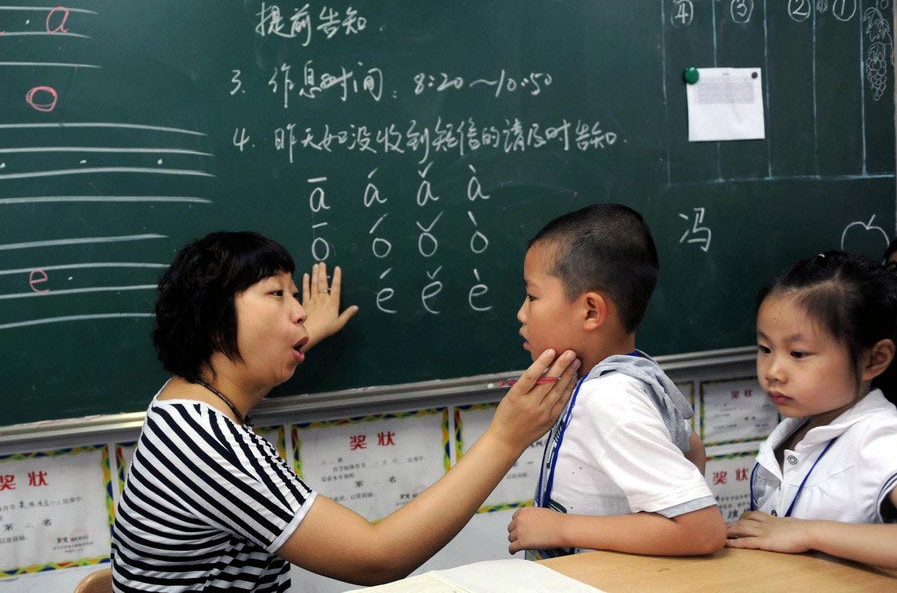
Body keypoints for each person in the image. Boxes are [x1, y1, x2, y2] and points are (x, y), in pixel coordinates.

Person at [111, 231, 579, 592]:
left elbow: (238, 374)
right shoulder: (206, 443)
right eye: (277, 294)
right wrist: (506, 437)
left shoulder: (180, 401)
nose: (298, 311)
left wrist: (298, 338)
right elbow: (375, 558)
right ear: (213, 319)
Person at [506, 204, 727, 559]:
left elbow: (701, 530)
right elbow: (691, 448)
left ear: (591, 311)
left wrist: (561, 528)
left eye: (532, 297)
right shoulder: (628, 373)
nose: (522, 312)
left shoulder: (609, 398)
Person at [725, 250, 897, 569]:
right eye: (765, 349)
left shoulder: (882, 437)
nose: (774, 370)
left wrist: (808, 533)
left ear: (874, 359)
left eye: (798, 353)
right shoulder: (798, 425)